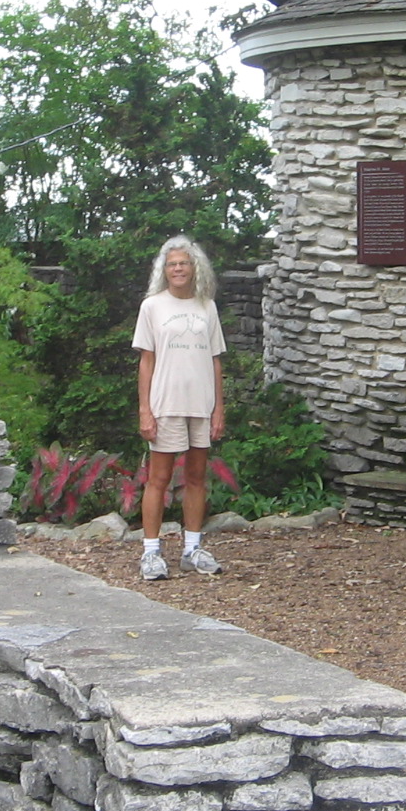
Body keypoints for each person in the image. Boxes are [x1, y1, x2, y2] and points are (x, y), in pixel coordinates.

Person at [132, 235, 226, 579]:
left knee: (197, 478)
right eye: (172, 264)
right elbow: (146, 361)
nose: (178, 269)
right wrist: (145, 409)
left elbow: (215, 362)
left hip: (200, 405)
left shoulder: (206, 306)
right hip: (165, 404)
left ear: (194, 267)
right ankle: (152, 553)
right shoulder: (152, 307)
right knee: (158, 479)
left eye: (183, 263)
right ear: (164, 270)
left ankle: (192, 549)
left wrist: (218, 409)